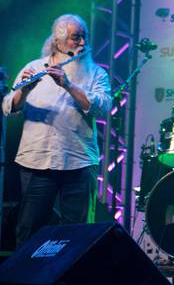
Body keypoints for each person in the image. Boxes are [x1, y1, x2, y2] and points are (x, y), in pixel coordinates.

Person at [2, 14, 111, 245]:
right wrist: (25, 90)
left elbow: (102, 108)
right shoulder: (34, 67)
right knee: (29, 231)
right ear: (58, 42)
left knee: (78, 234)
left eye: (84, 37)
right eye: (76, 37)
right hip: (37, 161)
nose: (83, 43)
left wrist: (68, 85)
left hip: (78, 161)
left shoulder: (96, 73)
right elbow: (9, 107)